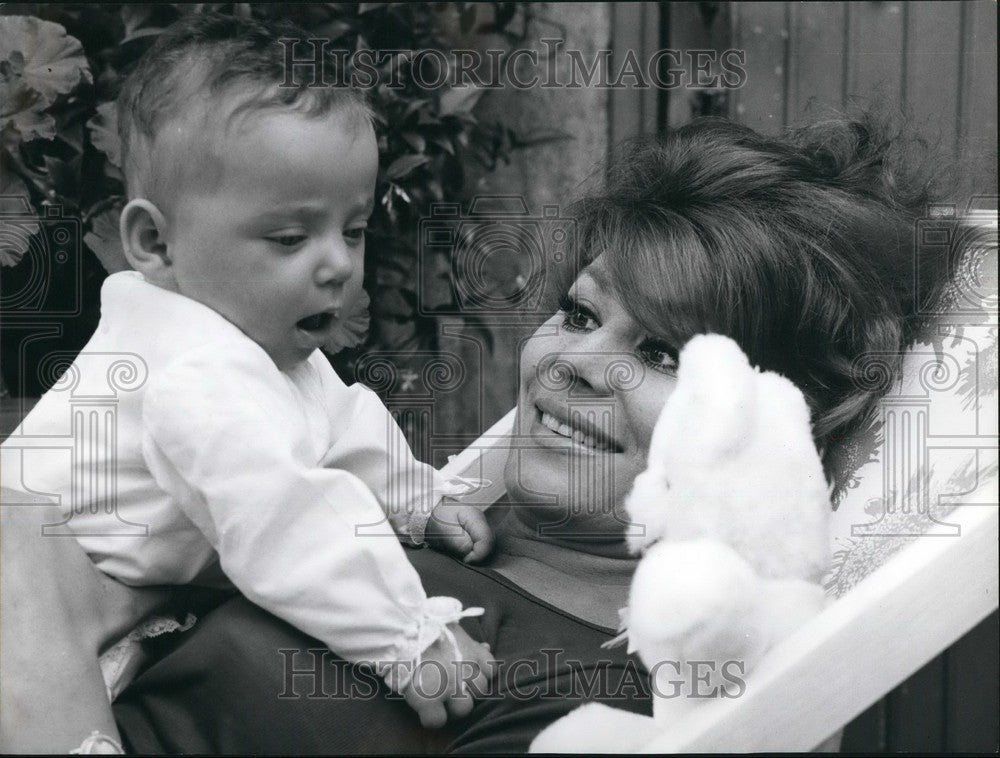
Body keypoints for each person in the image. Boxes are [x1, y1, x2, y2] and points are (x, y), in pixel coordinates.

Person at [2, 105, 950, 752]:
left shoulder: (587, 701)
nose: (574, 361)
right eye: (579, 315)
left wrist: (31, 624)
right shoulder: (416, 506)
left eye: (663, 353)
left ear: (770, 422)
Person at [0, 12, 498, 743]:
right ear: (154, 241)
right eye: (290, 237)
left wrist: (418, 499)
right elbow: (284, 520)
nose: (335, 263)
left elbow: (342, 424)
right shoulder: (194, 370)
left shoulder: (255, 339)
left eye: (352, 230)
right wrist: (408, 637)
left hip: (95, 606)